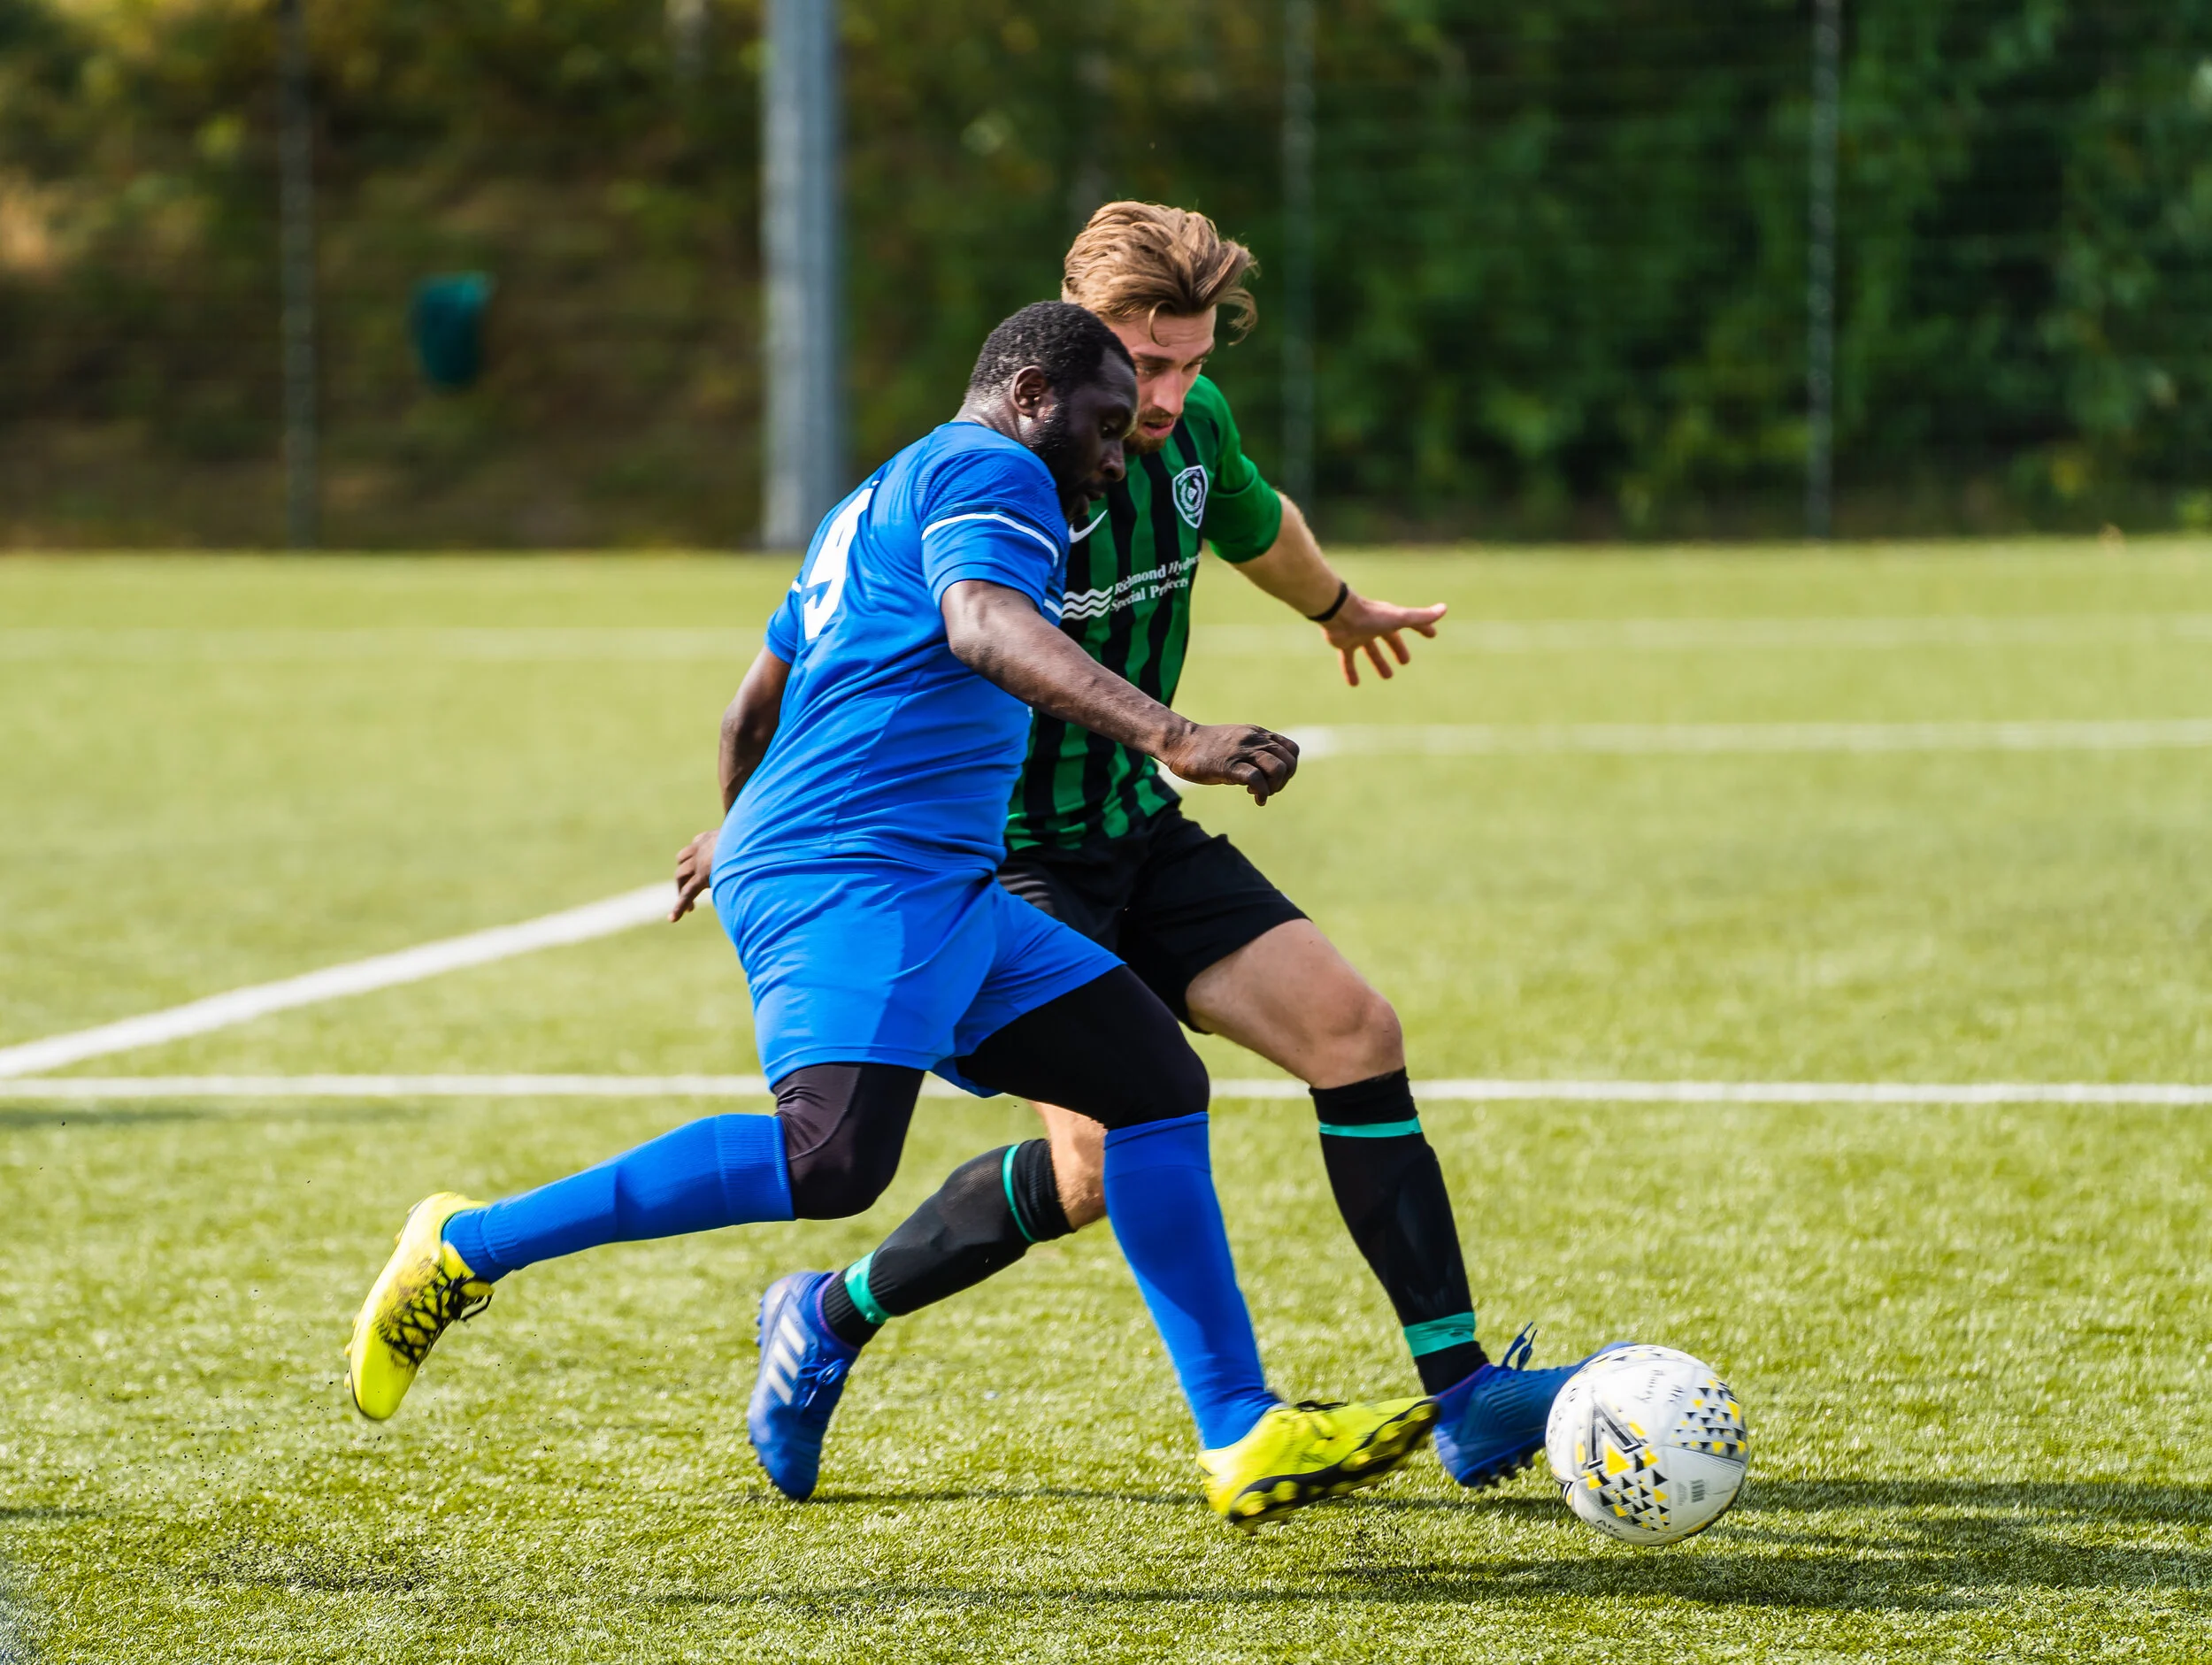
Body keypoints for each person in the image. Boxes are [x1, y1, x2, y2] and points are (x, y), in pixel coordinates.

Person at [345, 302, 1435, 1531]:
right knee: (830, 1161)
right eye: (1103, 426)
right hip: (857, 871)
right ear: (1029, 394)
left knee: (1152, 1085)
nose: (1113, 457)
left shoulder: (869, 500)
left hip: (930, 879)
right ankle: (465, 1245)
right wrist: (1172, 734)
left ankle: (1239, 1428)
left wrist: (745, 829)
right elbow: (983, 626)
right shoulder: (992, 470)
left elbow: (751, 708)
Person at [677, 205, 1599, 1502]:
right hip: (1004, 860)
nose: (1166, 398)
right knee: (1096, 1164)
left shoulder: (1188, 430)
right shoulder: (997, 469)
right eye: (1147, 365)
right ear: (1074, 342)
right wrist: (755, 813)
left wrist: (1340, 608)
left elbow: (1257, 523)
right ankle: (829, 1315)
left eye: (1193, 363)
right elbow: (827, 654)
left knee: (1354, 1030)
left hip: (1134, 822)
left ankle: (1466, 1397)